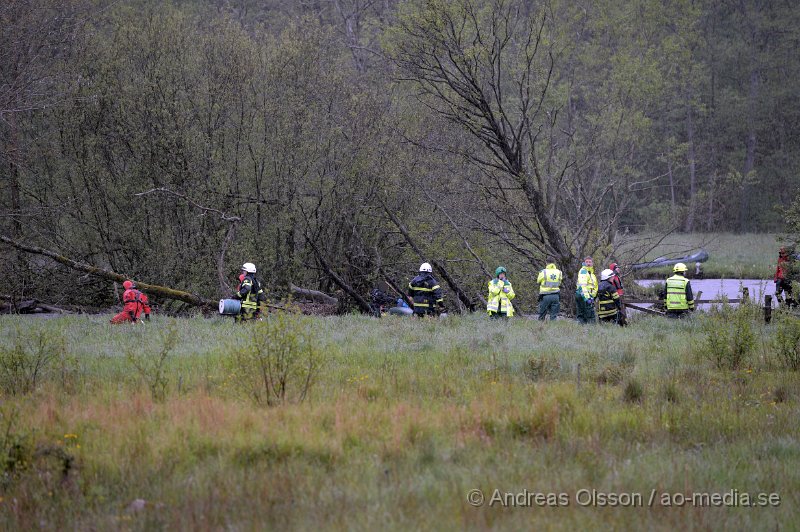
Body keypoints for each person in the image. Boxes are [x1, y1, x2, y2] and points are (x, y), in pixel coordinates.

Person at [575, 257, 598, 324]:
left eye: (590, 262)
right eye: (587, 262)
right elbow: (583, 286)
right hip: (583, 295)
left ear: (592, 263)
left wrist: (594, 296)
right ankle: (589, 329)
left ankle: (585, 330)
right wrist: (587, 298)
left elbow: (595, 286)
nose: (588, 263)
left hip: (589, 296)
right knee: (588, 315)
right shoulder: (583, 271)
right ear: (584, 263)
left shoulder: (591, 274)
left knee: (585, 314)